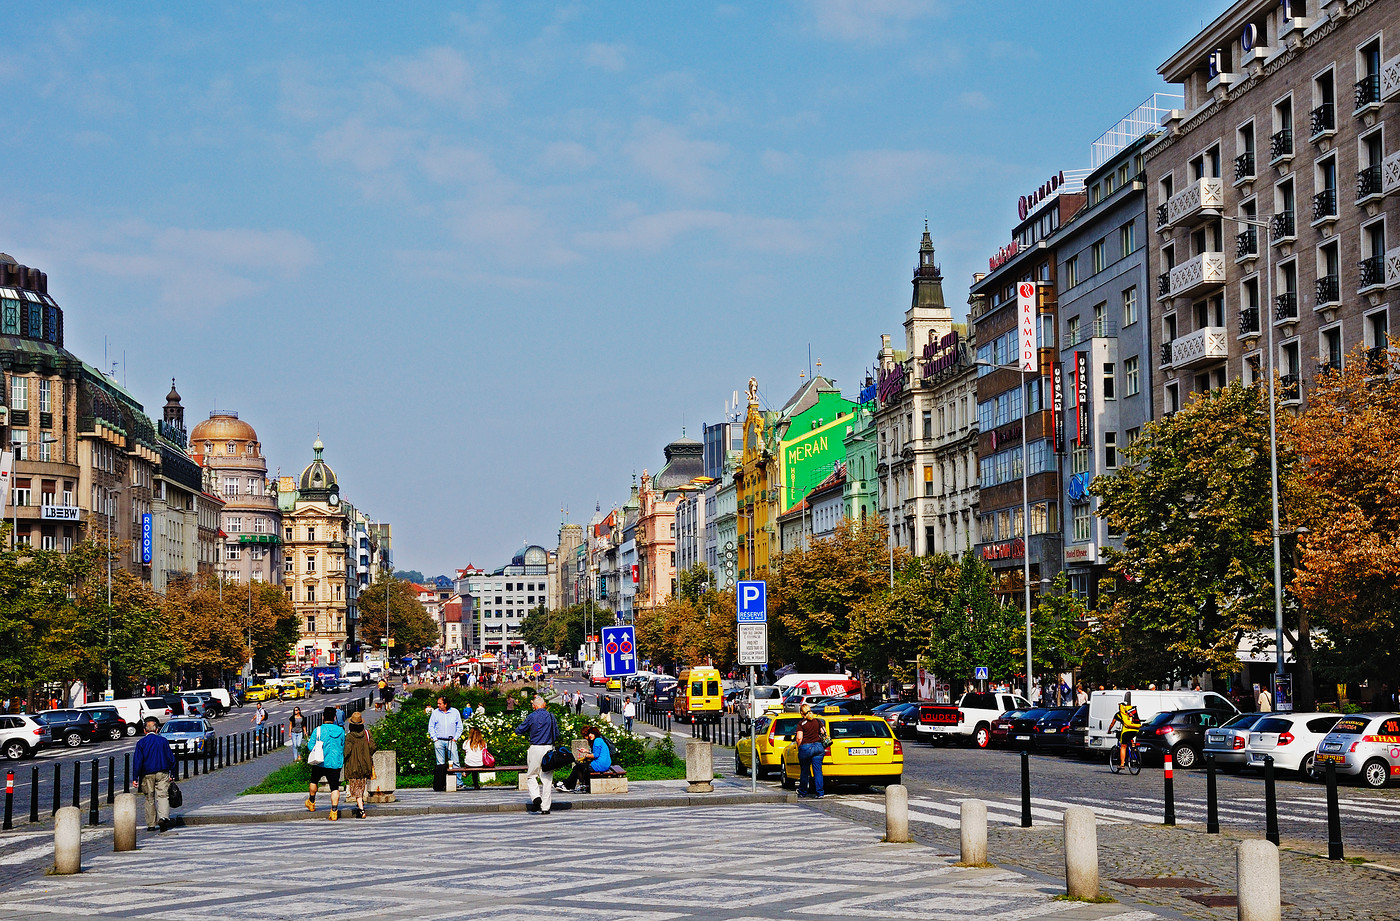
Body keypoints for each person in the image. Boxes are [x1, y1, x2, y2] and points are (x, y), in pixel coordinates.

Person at [515, 695, 558, 815]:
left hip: (534, 748)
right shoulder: (551, 716)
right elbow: (557, 734)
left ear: (534, 706)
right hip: (548, 749)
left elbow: (519, 730)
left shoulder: (531, 716)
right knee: (547, 779)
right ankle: (545, 808)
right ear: (544, 705)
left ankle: (535, 797)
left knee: (531, 775)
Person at [132, 716, 176, 831]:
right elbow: (171, 758)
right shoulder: (163, 741)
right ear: (157, 730)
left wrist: (135, 777)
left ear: (145, 730)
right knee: (163, 796)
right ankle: (163, 818)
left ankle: (151, 824)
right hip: (162, 772)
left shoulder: (141, 743)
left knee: (149, 798)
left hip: (147, 774)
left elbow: (137, 761)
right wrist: (173, 774)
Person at [305, 706, 347, 820]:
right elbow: (343, 745)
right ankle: (334, 811)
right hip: (335, 763)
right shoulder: (341, 731)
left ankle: (312, 802)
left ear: (323, 717)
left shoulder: (318, 730)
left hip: (320, 762)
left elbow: (310, 746)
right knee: (334, 787)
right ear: (334, 717)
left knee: (314, 781)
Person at [556, 725, 612, 793]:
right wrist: (586, 751)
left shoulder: (597, 741)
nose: (590, 735)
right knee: (581, 767)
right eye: (589, 734)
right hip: (605, 764)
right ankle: (576, 785)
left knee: (578, 767)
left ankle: (569, 785)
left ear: (595, 734)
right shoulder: (600, 740)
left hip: (600, 765)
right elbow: (597, 752)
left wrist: (586, 756)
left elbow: (595, 755)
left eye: (592, 734)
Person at [342, 711, 377, 819]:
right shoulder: (367, 734)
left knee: (356, 788)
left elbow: (346, 752)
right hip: (365, 764)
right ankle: (360, 805)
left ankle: (361, 810)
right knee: (361, 786)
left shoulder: (350, 737)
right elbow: (373, 747)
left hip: (353, 766)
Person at [794, 703, 826, 799]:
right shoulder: (818, 721)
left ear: (801, 713)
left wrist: (799, 747)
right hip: (819, 747)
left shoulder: (801, 724)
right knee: (818, 771)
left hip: (806, 748)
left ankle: (802, 792)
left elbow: (799, 738)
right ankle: (820, 793)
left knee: (804, 771)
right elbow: (824, 732)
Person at [428, 696, 464, 768]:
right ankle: (441, 779)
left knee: (455, 762)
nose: (438, 705)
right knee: (440, 764)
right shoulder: (435, 713)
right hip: (439, 740)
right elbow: (431, 726)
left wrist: (455, 738)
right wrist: (435, 739)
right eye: (438, 703)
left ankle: (458, 779)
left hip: (451, 740)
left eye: (440, 704)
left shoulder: (455, 712)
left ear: (445, 704)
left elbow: (459, 726)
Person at [1109, 692, 1141, 770]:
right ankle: (1134, 750)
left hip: (1126, 731)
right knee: (1131, 739)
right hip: (1136, 729)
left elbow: (1112, 723)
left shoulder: (1119, 714)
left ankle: (1122, 764)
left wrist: (1109, 730)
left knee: (1123, 746)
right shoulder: (1131, 711)